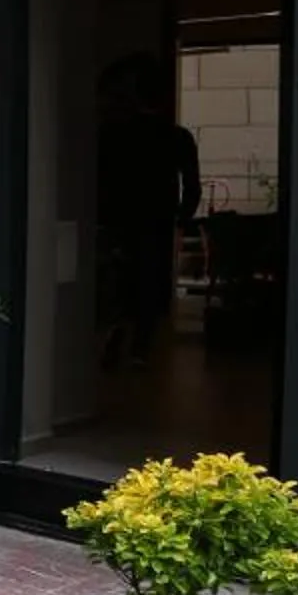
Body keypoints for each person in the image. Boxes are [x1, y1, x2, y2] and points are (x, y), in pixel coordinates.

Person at [95, 52, 201, 369]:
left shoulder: (112, 133)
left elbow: (98, 178)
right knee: (149, 284)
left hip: (117, 218)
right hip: (157, 220)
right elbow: (192, 185)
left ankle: (114, 337)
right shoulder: (178, 137)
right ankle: (140, 348)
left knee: (118, 280)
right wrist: (183, 216)